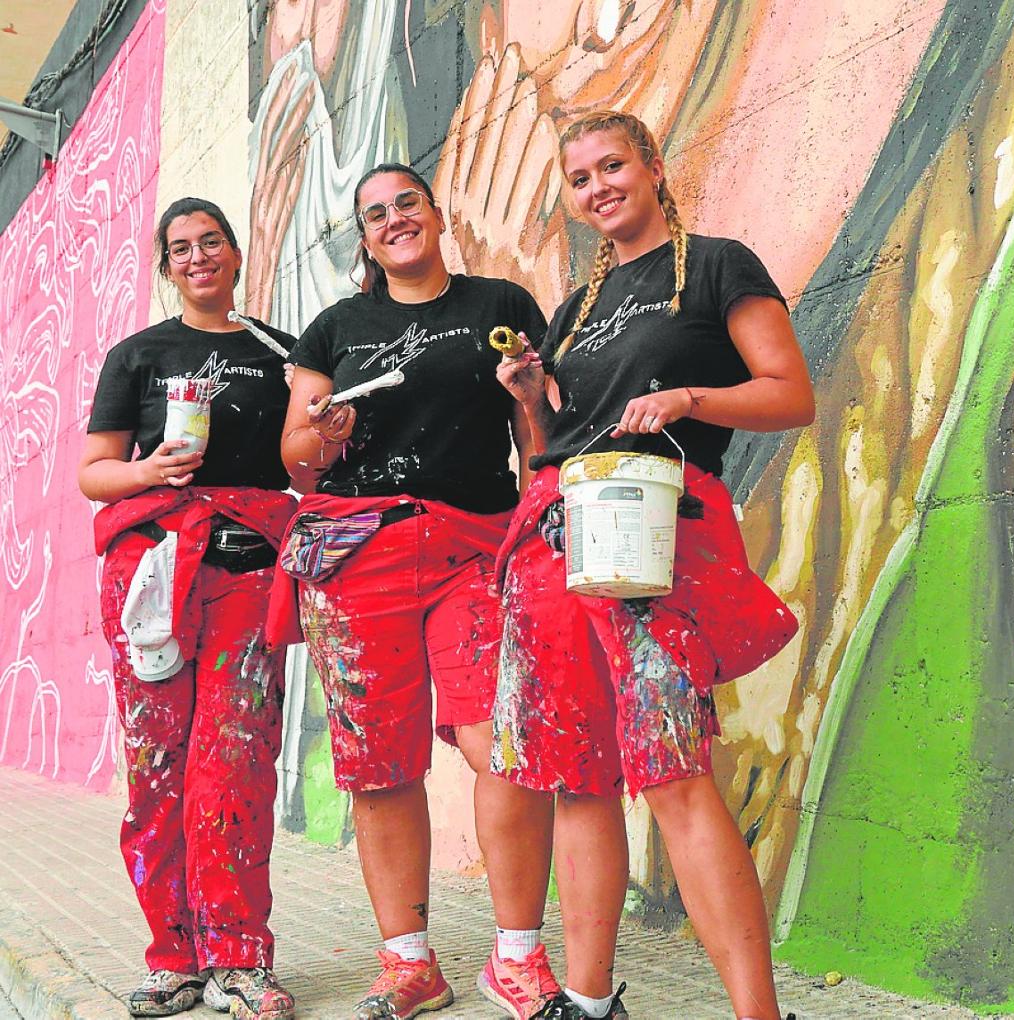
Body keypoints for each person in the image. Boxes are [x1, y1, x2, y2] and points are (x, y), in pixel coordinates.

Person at [493, 111, 814, 1020]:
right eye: (581, 178)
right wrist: (529, 402)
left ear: (653, 167)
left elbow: (791, 394)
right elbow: (553, 447)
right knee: (577, 779)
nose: (599, 188)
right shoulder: (575, 308)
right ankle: (589, 1003)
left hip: (653, 538)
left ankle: (759, 1012)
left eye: (612, 166)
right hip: (557, 540)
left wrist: (685, 397)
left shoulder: (718, 264)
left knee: (673, 772)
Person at [275, 162, 558, 1020]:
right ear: (364, 239)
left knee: (502, 742)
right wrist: (324, 438)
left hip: (479, 546)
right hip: (362, 557)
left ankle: (517, 956)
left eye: (407, 203)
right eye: (375, 215)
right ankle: (409, 963)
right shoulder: (332, 331)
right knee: (378, 763)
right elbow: (295, 458)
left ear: (437, 215)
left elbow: (536, 435)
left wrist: (540, 444)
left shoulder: (499, 306)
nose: (395, 219)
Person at [78, 198, 298, 1020]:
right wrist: (151, 472)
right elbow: (94, 473)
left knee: (233, 765)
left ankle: (240, 961)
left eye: (211, 242)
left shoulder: (282, 351)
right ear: (166, 267)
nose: (198, 256)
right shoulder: (137, 356)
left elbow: (303, 462)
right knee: (158, 771)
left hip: (246, 574)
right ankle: (174, 958)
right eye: (180, 248)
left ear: (236, 254)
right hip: (154, 581)